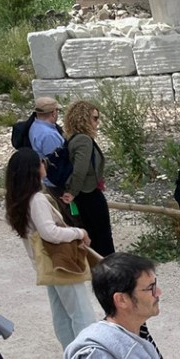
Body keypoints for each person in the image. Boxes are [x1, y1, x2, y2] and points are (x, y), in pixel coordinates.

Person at [4, 148, 96, 349]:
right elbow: (50, 233)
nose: (44, 165)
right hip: (59, 261)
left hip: (45, 263)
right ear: (33, 170)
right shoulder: (36, 199)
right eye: (41, 162)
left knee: (61, 311)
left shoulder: (19, 199)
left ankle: (71, 352)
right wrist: (78, 232)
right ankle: (87, 355)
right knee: (81, 312)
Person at [61, 100, 115, 257]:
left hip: (83, 195)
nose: (97, 123)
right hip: (88, 193)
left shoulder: (72, 138)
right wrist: (73, 191)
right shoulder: (83, 140)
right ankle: (109, 269)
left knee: (93, 234)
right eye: (94, 118)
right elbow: (80, 170)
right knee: (102, 235)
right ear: (84, 119)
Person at [28, 97, 65, 187]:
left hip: (45, 177)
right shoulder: (49, 135)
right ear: (53, 113)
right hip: (54, 181)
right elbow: (57, 162)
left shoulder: (35, 126)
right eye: (57, 111)